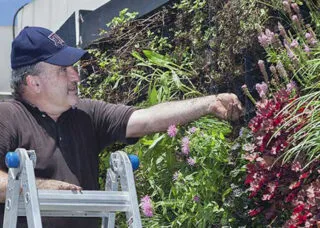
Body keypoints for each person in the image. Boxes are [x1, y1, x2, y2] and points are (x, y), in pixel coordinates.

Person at [0, 26, 243, 227]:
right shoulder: (8, 116)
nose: (75, 76)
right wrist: (37, 188)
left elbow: (147, 119)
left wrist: (209, 104)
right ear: (34, 82)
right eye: (63, 70)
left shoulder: (86, 114)